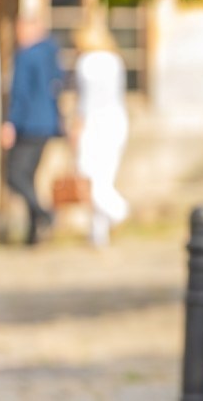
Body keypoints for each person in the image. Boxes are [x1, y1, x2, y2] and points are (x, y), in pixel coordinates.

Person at [0, 15, 62, 245]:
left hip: (28, 124)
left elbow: (21, 93)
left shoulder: (26, 55)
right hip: (46, 124)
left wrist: (10, 123)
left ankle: (45, 214)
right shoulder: (51, 53)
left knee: (15, 176)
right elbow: (57, 84)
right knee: (28, 177)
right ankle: (32, 234)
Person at [70, 24, 130, 246]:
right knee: (104, 177)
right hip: (117, 122)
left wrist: (76, 128)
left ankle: (119, 211)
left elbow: (85, 102)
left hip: (95, 124)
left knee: (90, 177)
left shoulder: (86, 63)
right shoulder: (115, 61)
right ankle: (98, 234)